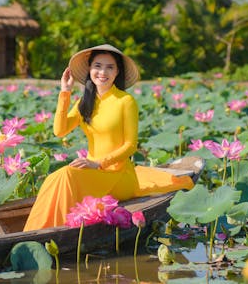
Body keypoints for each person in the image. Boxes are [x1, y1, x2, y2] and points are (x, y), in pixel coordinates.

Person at [23, 44, 194, 231]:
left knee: (66, 175)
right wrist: (65, 92)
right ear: (90, 69)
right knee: (54, 178)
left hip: (119, 176)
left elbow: (130, 146)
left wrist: (99, 163)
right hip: (93, 173)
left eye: (109, 67)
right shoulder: (85, 102)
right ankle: (37, 231)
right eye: (97, 66)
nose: (102, 72)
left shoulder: (125, 101)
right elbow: (60, 131)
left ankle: (52, 231)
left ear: (117, 72)